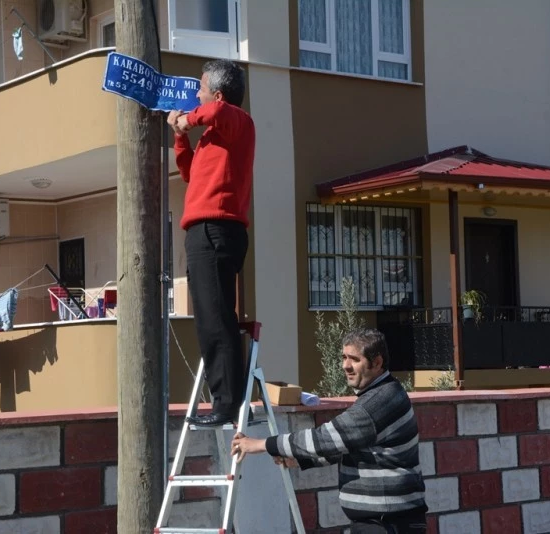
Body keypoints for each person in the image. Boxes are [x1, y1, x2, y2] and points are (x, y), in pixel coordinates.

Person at [231, 329, 427, 533]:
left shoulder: (379, 401)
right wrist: (301, 460)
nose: (345, 366)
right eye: (344, 357)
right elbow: (351, 447)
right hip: (384, 522)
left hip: (389, 524)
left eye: (354, 359)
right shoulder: (380, 394)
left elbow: (327, 438)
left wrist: (262, 444)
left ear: (377, 362)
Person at [167, 60, 256, 427]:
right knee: (210, 316)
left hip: (216, 229)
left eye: (200, 90)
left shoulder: (236, 119)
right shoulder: (215, 133)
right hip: (207, 230)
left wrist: (188, 119)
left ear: (217, 94)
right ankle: (227, 401)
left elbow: (216, 110)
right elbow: (190, 173)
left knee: (215, 319)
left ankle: (226, 405)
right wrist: (179, 135)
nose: (196, 97)